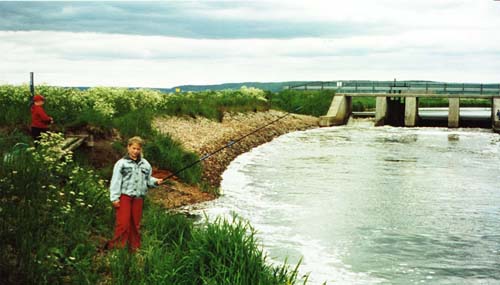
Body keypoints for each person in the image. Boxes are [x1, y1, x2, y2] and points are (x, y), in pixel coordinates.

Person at [106, 136, 163, 252]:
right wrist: (114, 198)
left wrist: (155, 181)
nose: (135, 151)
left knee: (135, 225)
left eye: (138, 149)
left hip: (138, 198)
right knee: (123, 223)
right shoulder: (121, 164)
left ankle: (134, 248)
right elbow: (115, 181)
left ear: (141, 150)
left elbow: (148, 180)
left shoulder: (145, 164)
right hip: (125, 197)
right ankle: (117, 248)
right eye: (133, 148)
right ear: (128, 147)